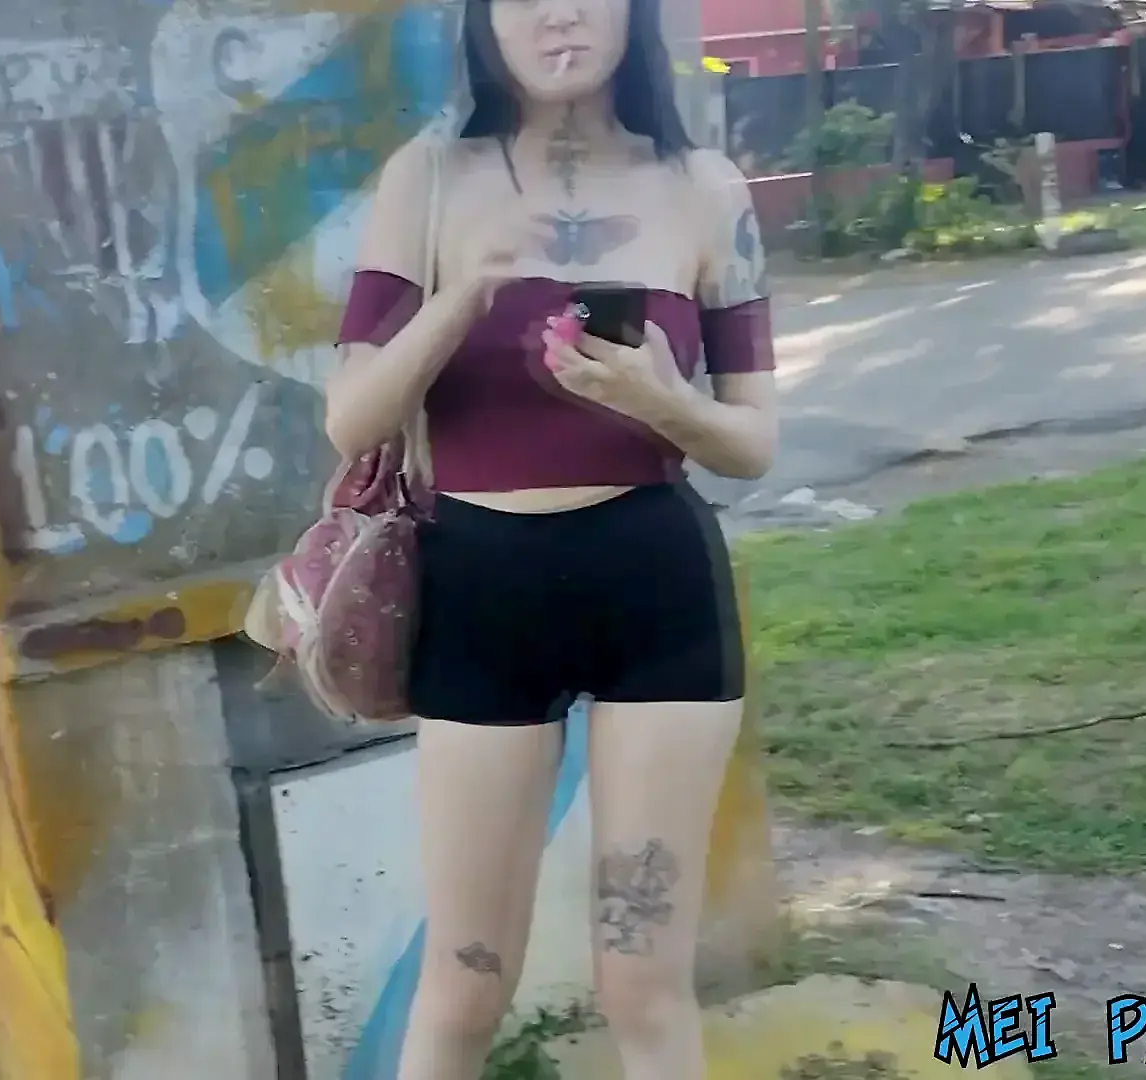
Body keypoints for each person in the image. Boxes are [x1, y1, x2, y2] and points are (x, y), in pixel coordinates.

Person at [324, 0, 779, 1075]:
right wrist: (459, 300)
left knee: (643, 982)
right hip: (481, 592)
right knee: (465, 982)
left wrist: (662, 401)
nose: (559, 13)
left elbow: (753, 443)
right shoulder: (428, 180)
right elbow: (350, 420)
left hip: (656, 592)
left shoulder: (706, 188)